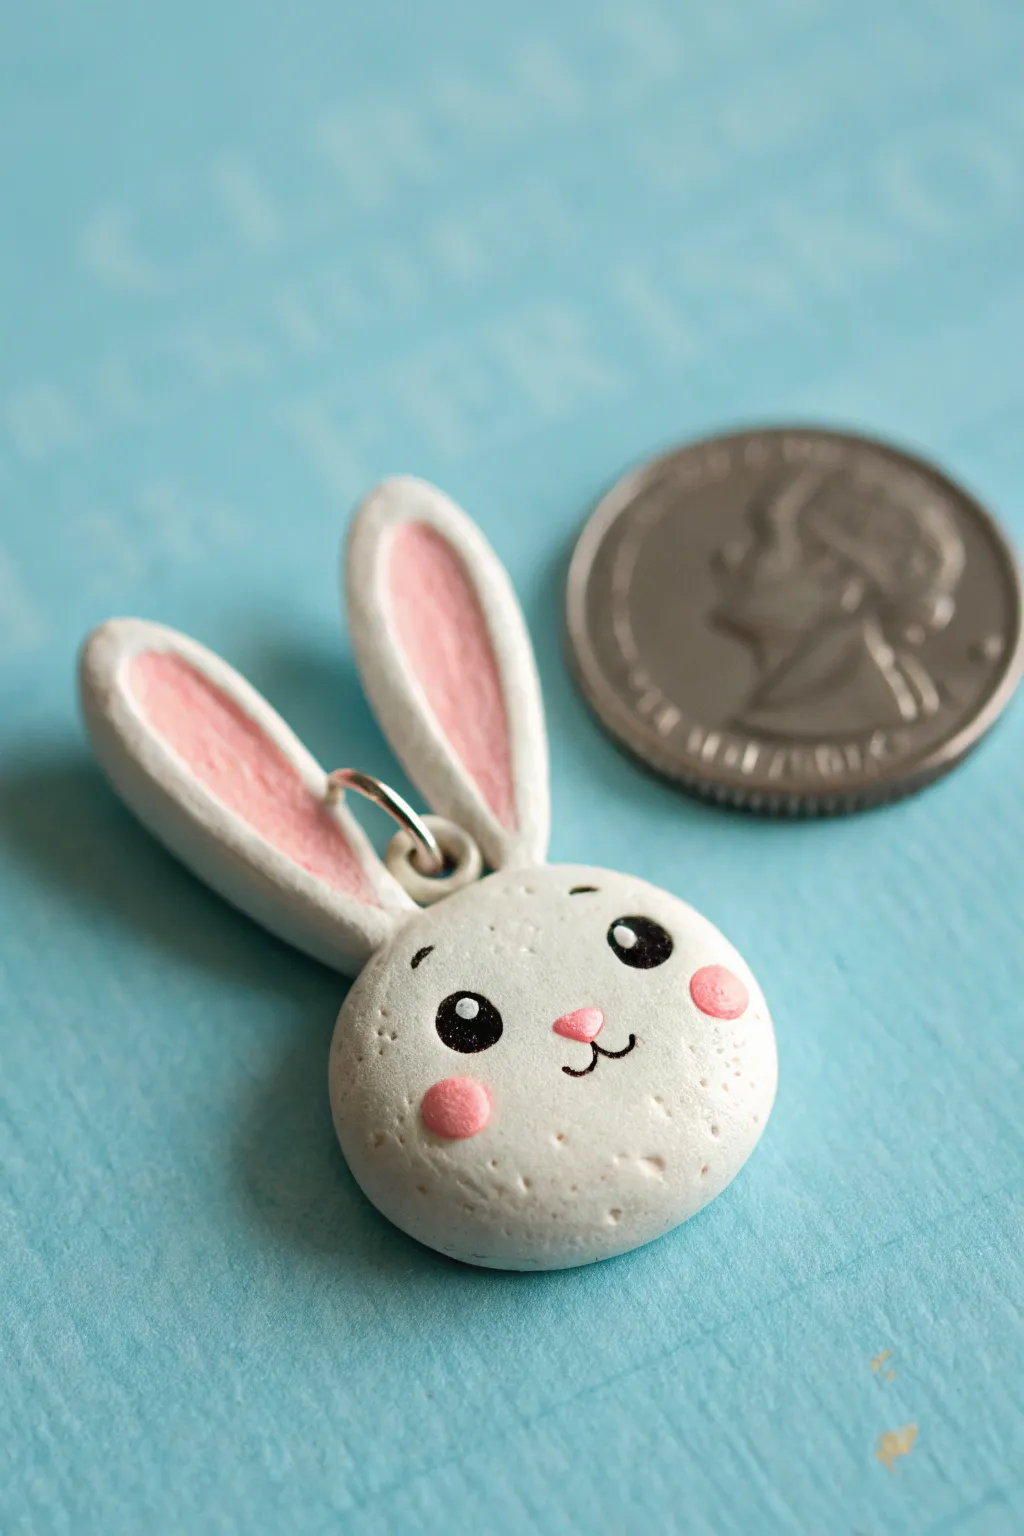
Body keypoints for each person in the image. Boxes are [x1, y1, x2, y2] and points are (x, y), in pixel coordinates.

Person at [711, 466, 964, 737]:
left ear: (843, 585)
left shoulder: (851, 708)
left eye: (767, 541)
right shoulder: (792, 698)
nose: (729, 556)